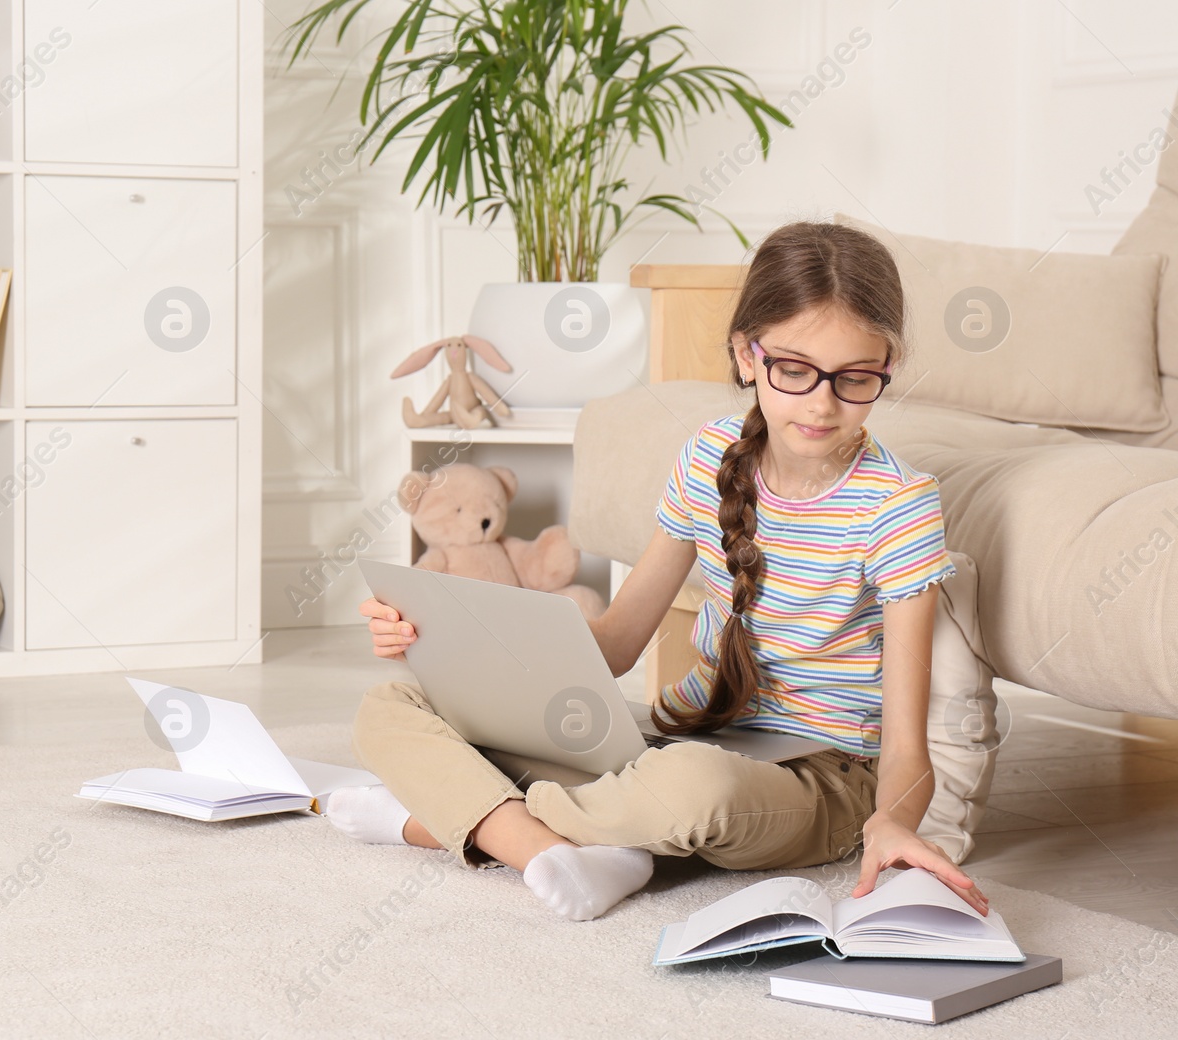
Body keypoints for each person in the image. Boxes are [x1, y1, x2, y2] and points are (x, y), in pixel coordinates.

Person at [328, 220, 993, 923]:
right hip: (689, 738)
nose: (822, 404)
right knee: (393, 705)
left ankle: (443, 815)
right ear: (745, 352)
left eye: (856, 379)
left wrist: (892, 822)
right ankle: (553, 842)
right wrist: (446, 639)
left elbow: (906, 749)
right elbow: (614, 644)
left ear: (888, 365)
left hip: (821, 781)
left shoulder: (899, 504)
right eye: (793, 370)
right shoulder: (707, 457)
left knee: (690, 788)